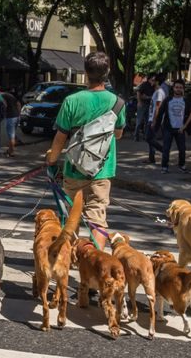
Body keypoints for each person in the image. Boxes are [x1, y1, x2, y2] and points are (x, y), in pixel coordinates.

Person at [45, 51, 126, 251]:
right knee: (96, 218)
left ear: (86, 72)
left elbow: (60, 138)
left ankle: (67, 257)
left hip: (74, 169)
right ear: (107, 73)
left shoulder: (72, 101)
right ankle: (94, 260)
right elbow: (118, 134)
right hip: (102, 170)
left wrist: (52, 160)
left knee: (71, 216)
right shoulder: (118, 103)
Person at [158, 79, 188, 174]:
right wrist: (156, 123)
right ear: (173, 88)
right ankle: (164, 166)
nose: (178, 89)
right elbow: (161, 112)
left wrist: (186, 126)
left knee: (182, 148)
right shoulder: (167, 100)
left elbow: (190, 114)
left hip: (181, 128)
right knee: (166, 148)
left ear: (183, 89)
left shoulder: (185, 100)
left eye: (180, 87)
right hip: (168, 128)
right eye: (176, 87)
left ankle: (182, 165)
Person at [146, 73, 165, 164]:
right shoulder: (156, 91)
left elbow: (158, 107)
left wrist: (154, 120)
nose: (151, 81)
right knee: (151, 139)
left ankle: (164, 151)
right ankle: (151, 158)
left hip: (154, 119)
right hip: (151, 118)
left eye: (153, 80)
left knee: (149, 138)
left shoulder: (159, 92)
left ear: (157, 82)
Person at [1, 88, 21, 157]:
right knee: (13, 134)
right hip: (16, 116)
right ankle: (9, 150)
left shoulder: (0, 95)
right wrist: (19, 114)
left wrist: (3, 113)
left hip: (10, 117)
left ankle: (12, 152)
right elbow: (18, 104)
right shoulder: (10, 95)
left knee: (11, 136)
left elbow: (5, 105)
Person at [134, 73, 155, 141]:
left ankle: (145, 136)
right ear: (149, 79)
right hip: (142, 104)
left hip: (149, 105)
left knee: (147, 121)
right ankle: (136, 136)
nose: (153, 81)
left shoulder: (153, 86)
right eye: (153, 79)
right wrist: (139, 102)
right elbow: (138, 92)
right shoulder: (144, 84)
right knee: (139, 121)